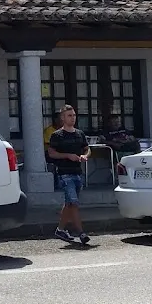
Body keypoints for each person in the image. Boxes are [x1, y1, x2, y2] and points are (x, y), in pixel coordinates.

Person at [47, 104, 90, 244]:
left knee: (69, 204)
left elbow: (87, 149)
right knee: (73, 203)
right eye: (69, 116)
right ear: (63, 118)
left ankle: (60, 229)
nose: (73, 118)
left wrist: (85, 156)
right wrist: (67, 156)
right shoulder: (57, 135)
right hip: (64, 174)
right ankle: (81, 233)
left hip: (78, 172)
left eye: (74, 115)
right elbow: (51, 153)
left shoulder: (79, 133)